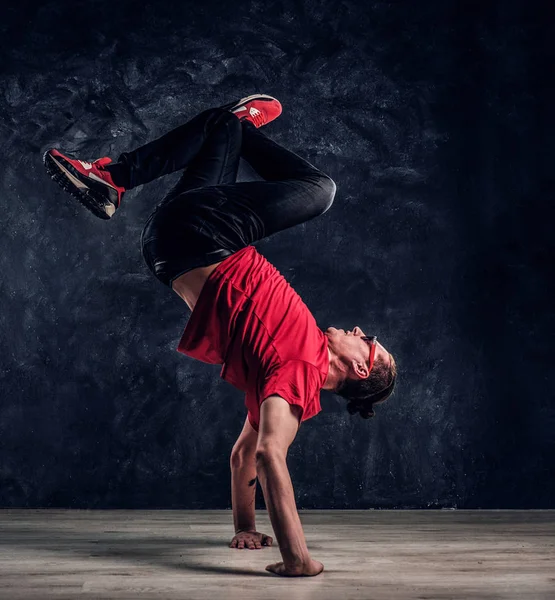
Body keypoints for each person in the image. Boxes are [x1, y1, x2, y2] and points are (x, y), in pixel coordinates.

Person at [43, 94, 397, 577]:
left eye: (368, 339)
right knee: (219, 125)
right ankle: (130, 171)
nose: (359, 330)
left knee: (320, 187)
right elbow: (241, 456)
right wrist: (243, 527)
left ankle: (145, 164)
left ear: (359, 367)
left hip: (207, 236)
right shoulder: (290, 371)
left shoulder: (299, 373)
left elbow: (269, 453)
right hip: (170, 246)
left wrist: (298, 560)